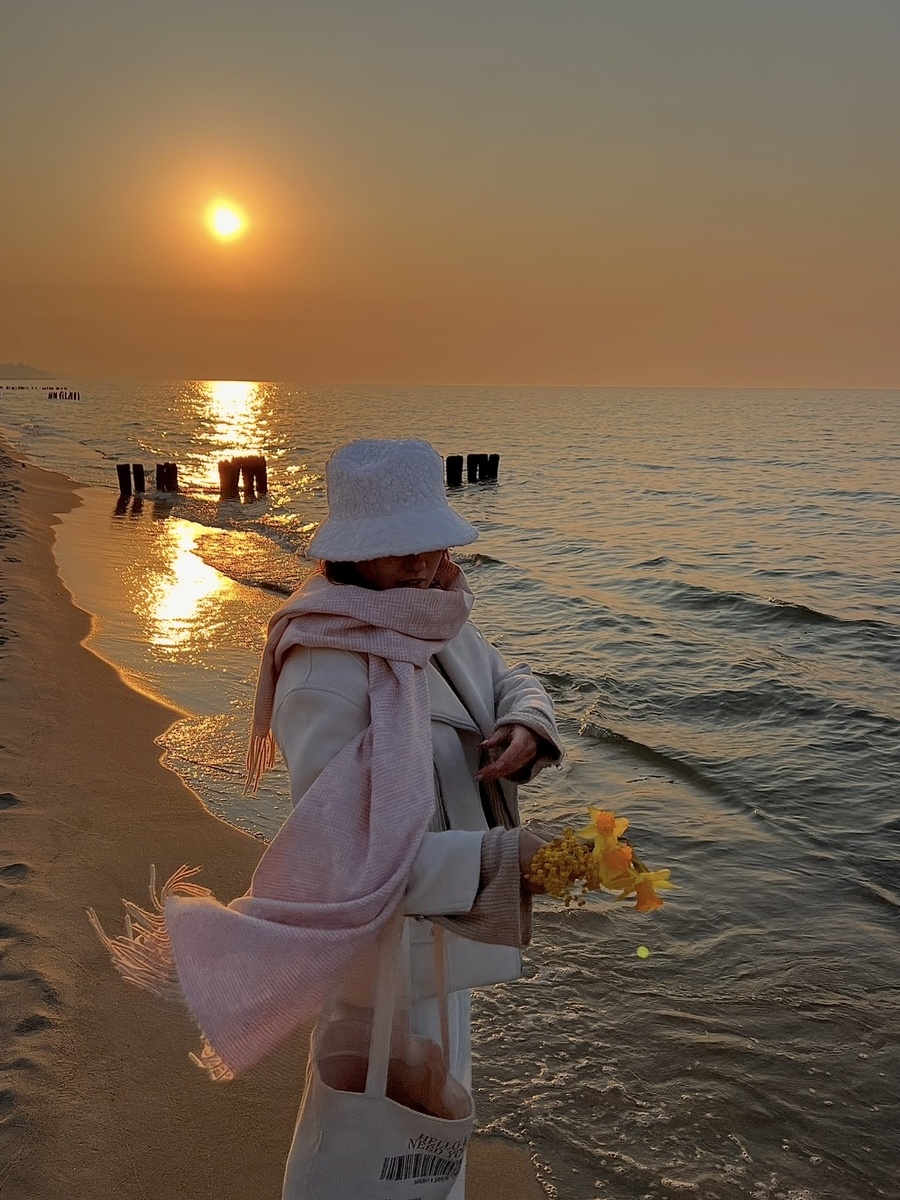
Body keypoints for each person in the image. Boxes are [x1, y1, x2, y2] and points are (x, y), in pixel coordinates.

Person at [92, 437, 561, 1200]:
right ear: (351, 554)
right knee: (370, 1134)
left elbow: (512, 675)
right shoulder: (323, 668)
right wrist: (509, 863)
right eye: (395, 544)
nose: (419, 558)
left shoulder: (433, 616)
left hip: (448, 931)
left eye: (429, 537)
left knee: (432, 1130)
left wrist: (525, 727)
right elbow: (351, 855)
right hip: (382, 943)